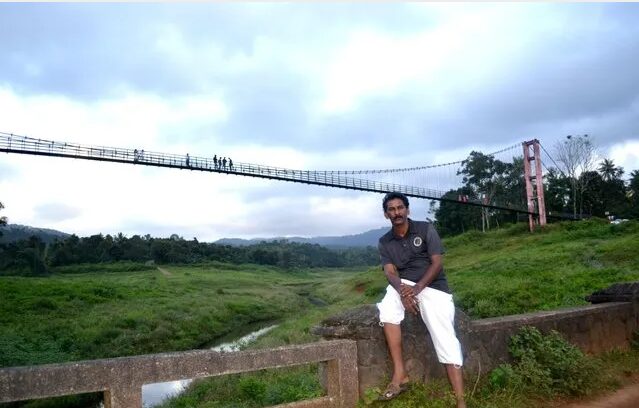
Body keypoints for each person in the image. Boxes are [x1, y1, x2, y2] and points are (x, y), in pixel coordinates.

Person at [376, 192, 465, 407]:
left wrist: (416, 290)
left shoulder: (425, 229)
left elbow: (437, 264)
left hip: (432, 286)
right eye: (391, 209)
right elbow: (390, 273)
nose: (396, 212)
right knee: (387, 308)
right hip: (404, 286)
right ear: (386, 214)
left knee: (445, 337)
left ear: (407, 210)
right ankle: (400, 375)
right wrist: (403, 292)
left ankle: (461, 401)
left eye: (400, 208)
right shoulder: (384, 241)